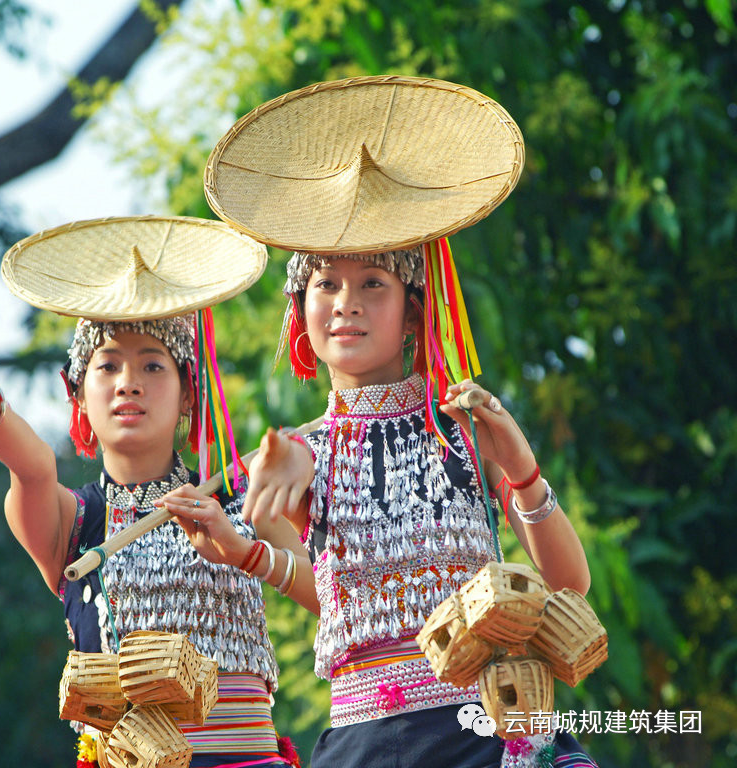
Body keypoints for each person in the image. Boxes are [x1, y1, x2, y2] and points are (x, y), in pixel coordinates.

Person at [201, 76, 599, 768]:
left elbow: (569, 584)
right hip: (367, 744)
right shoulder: (303, 452)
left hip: (486, 734)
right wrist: (279, 484)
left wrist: (523, 468)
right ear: (301, 310)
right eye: (325, 283)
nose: (345, 303)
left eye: (372, 284)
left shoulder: (464, 429)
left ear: (416, 309)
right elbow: (314, 565)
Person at [0, 216, 311, 768]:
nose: (129, 382)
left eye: (152, 365)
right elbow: (34, 470)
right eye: (108, 366)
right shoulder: (73, 521)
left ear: (189, 393)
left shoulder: (239, 496)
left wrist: (250, 554)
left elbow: (327, 596)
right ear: (78, 395)